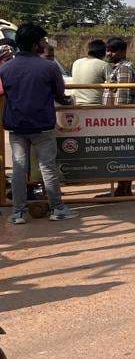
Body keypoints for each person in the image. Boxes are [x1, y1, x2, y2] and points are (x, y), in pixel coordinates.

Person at [0, 23, 76, 223]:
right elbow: (60, 95)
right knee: (47, 167)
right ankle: (57, 209)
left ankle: (18, 213)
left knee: (19, 168)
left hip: (16, 125)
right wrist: (69, 101)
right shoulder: (49, 67)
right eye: (42, 41)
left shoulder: (6, 68)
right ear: (35, 45)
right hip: (43, 125)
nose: (44, 44)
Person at [101, 37, 135, 197]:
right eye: (108, 50)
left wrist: (115, 119)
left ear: (122, 51)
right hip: (119, 119)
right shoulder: (118, 67)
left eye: (113, 50)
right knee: (122, 154)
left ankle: (123, 189)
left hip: (122, 119)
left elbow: (122, 98)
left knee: (123, 154)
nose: (109, 53)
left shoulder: (124, 68)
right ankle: (122, 188)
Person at [70, 39, 110, 105]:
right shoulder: (104, 65)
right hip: (94, 105)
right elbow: (113, 87)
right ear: (103, 53)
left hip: (75, 103)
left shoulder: (76, 62)